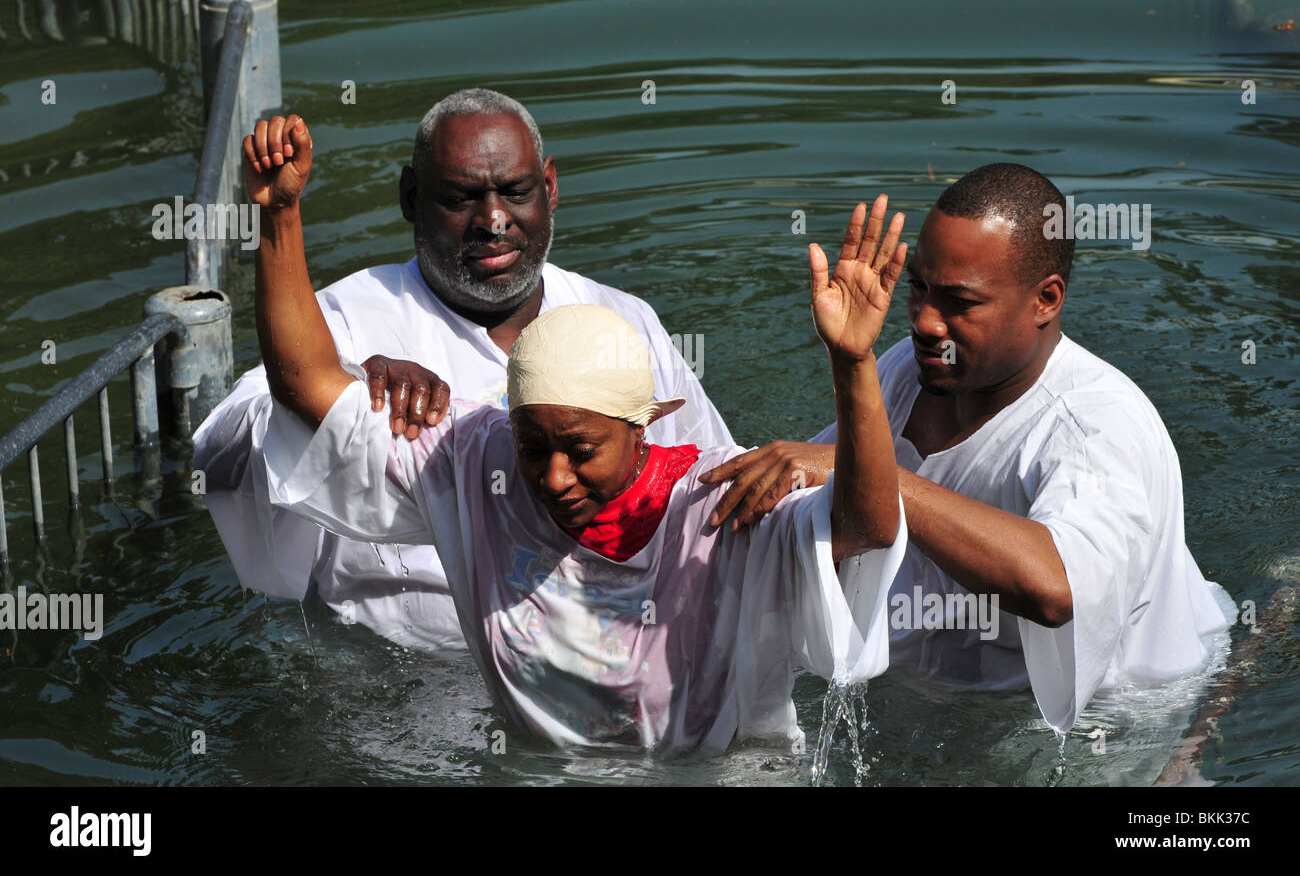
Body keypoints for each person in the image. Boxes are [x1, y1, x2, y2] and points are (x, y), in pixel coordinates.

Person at [249, 114, 909, 752]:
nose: (554, 478)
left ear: (643, 428)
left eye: (582, 450)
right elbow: (306, 383)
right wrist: (279, 216)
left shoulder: (716, 506)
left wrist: (853, 364)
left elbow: (870, 526)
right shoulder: (476, 461)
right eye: (534, 447)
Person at [699, 163, 1236, 733]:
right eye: (919, 289)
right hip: (941, 698)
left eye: (959, 301)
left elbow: (1056, 587)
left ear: (1045, 300)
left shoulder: (1094, 427)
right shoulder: (910, 369)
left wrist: (871, 473)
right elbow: (829, 517)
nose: (927, 321)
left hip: (1114, 720)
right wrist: (850, 361)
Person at [193, 89, 731, 652]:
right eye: (460, 198)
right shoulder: (341, 319)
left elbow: (713, 487)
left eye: (516, 193)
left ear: (549, 188)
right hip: (394, 688)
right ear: (410, 197)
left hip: (613, 663)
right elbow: (218, 453)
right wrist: (351, 389)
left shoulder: (622, 320)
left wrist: (822, 462)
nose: (493, 220)